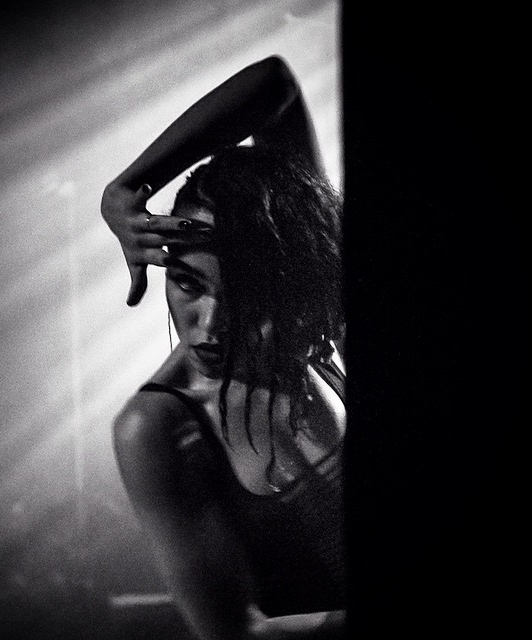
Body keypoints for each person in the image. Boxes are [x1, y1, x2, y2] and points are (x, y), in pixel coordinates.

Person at [100, 56, 346, 639]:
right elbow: (235, 633)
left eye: (244, 297)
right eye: (187, 283)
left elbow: (275, 86)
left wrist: (129, 185)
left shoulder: (315, 316)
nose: (207, 329)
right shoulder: (158, 429)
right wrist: (124, 191)